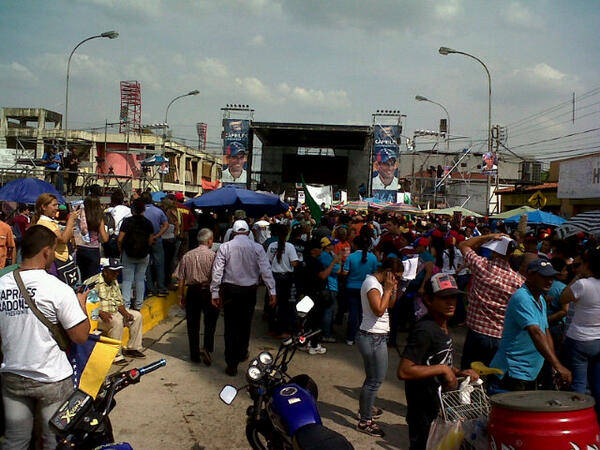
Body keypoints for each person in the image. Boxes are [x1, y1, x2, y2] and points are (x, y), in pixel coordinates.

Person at [0, 225, 90, 449]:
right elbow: (80, 336)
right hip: (52, 379)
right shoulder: (57, 289)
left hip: (12, 374)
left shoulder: (1, 284)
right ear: (47, 252)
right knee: (55, 441)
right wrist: (81, 307)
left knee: (15, 441)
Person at [398, 273, 479, 450]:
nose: (451, 303)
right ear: (428, 299)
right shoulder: (425, 330)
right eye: (444, 298)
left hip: (439, 406)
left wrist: (458, 372)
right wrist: (442, 369)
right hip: (422, 409)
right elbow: (404, 370)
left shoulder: (442, 326)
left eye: (454, 297)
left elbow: (439, 361)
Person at [490, 259, 571, 391]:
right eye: (544, 277)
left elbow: (545, 331)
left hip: (529, 371)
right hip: (512, 371)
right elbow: (535, 332)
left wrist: (552, 364)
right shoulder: (522, 297)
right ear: (530, 275)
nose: (550, 281)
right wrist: (558, 365)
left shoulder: (540, 299)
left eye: (551, 277)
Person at [210, 220, 277, 376]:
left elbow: (217, 272)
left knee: (230, 326)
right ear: (248, 232)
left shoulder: (225, 247)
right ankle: (241, 352)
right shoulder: (257, 248)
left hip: (230, 291)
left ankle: (231, 363)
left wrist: (214, 293)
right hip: (249, 291)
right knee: (245, 324)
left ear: (233, 232)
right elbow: (265, 270)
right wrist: (272, 291)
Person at [457, 233, 525, 369]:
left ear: (494, 252)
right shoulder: (519, 281)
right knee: (493, 375)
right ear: (510, 254)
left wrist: (489, 236)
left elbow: (463, 245)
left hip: (476, 333)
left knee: (468, 376)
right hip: (500, 336)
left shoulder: (481, 266)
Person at [356, 258, 403, 437]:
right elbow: (378, 310)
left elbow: (390, 305)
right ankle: (365, 421)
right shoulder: (372, 284)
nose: (397, 280)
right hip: (372, 337)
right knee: (375, 381)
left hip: (374, 336)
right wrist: (389, 288)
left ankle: (366, 409)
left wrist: (393, 289)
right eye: (396, 277)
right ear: (388, 272)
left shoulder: (378, 283)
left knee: (371, 379)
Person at [560, 247, 600, 420]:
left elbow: (563, 298)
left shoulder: (582, 284)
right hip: (598, 339)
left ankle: (578, 419)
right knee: (597, 384)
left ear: (588, 265)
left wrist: (577, 276)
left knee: (578, 384)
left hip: (578, 339)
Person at [174, 228, 219, 366]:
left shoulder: (187, 255)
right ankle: (206, 347)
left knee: (192, 324)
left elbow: (181, 278)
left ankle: (194, 354)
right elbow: (217, 276)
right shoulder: (213, 256)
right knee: (210, 321)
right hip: (208, 290)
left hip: (192, 291)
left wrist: (181, 295)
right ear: (209, 240)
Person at [87, 258, 145, 362]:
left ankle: (133, 348)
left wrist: (126, 313)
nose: (117, 273)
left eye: (118, 270)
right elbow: (89, 305)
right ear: (105, 271)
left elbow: (119, 302)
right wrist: (100, 312)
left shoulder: (113, 281)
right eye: (114, 271)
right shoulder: (94, 283)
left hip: (113, 312)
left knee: (137, 316)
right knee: (116, 322)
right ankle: (115, 355)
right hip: (96, 316)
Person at [33, 193, 80, 286]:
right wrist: (70, 221)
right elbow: (63, 239)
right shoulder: (44, 223)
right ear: (44, 207)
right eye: (54, 205)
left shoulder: (51, 221)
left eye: (57, 205)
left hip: (61, 260)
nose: (57, 208)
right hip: (55, 263)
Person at [118, 198, 154, 310]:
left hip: (128, 254)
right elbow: (151, 240)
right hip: (143, 255)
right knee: (140, 279)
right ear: (143, 210)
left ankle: (126, 305)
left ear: (132, 210)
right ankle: (138, 305)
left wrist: (121, 250)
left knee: (127, 280)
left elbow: (120, 239)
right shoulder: (148, 223)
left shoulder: (127, 222)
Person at [343, 234, 378, 345]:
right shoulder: (373, 258)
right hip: (367, 288)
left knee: (353, 313)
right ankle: (363, 337)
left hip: (351, 287)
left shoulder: (351, 257)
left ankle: (350, 337)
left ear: (355, 245)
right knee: (364, 313)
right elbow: (375, 272)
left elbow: (345, 272)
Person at [266, 224, 299, 337]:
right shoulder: (290, 247)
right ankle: (282, 330)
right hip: (286, 278)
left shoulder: (271, 246)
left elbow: (268, 261)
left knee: (272, 303)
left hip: (274, 277)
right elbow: (294, 262)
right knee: (284, 305)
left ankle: (272, 329)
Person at [141, 192, 169, 297]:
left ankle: (150, 288)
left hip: (144, 241)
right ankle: (161, 287)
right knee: (159, 264)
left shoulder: (141, 212)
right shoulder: (159, 211)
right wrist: (157, 235)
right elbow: (166, 225)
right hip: (157, 240)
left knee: (146, 265)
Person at [76, 195, 109, 282]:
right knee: (92, 280)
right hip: (93, 250)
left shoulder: (80, 217)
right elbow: (105, 239)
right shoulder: (98, 219)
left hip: (80, 249)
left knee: (82, 278)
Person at [318, 236, 342, 343]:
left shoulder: (328, 255)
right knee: (328, 311)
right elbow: (337, 270)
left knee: (328, 311)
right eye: (332, 244)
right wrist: (339, 261)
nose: (334, 246)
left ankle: (326, 331)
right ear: (327, 246)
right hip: (329, 286)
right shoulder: (325, 256)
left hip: (330, 286)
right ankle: (325, 334)